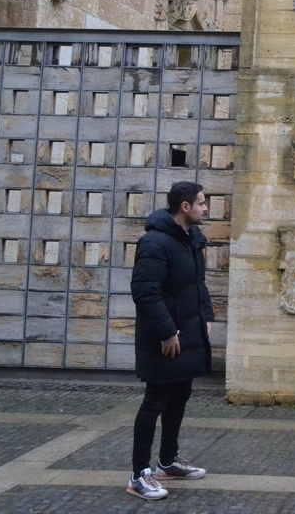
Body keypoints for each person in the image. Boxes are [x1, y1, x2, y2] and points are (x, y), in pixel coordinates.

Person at [127, 181, 214, 500]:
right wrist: (166, 331)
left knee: (180, 396)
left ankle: (167, 460)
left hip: (187, 333)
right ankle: (139, 474)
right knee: (155, 401)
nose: (206, 208)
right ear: (185, 207)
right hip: (164, 338)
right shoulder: (154, 242)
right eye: (201, 203)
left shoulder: (191, 239)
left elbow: (198, 285)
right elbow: (144, 292)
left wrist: (206, 317)